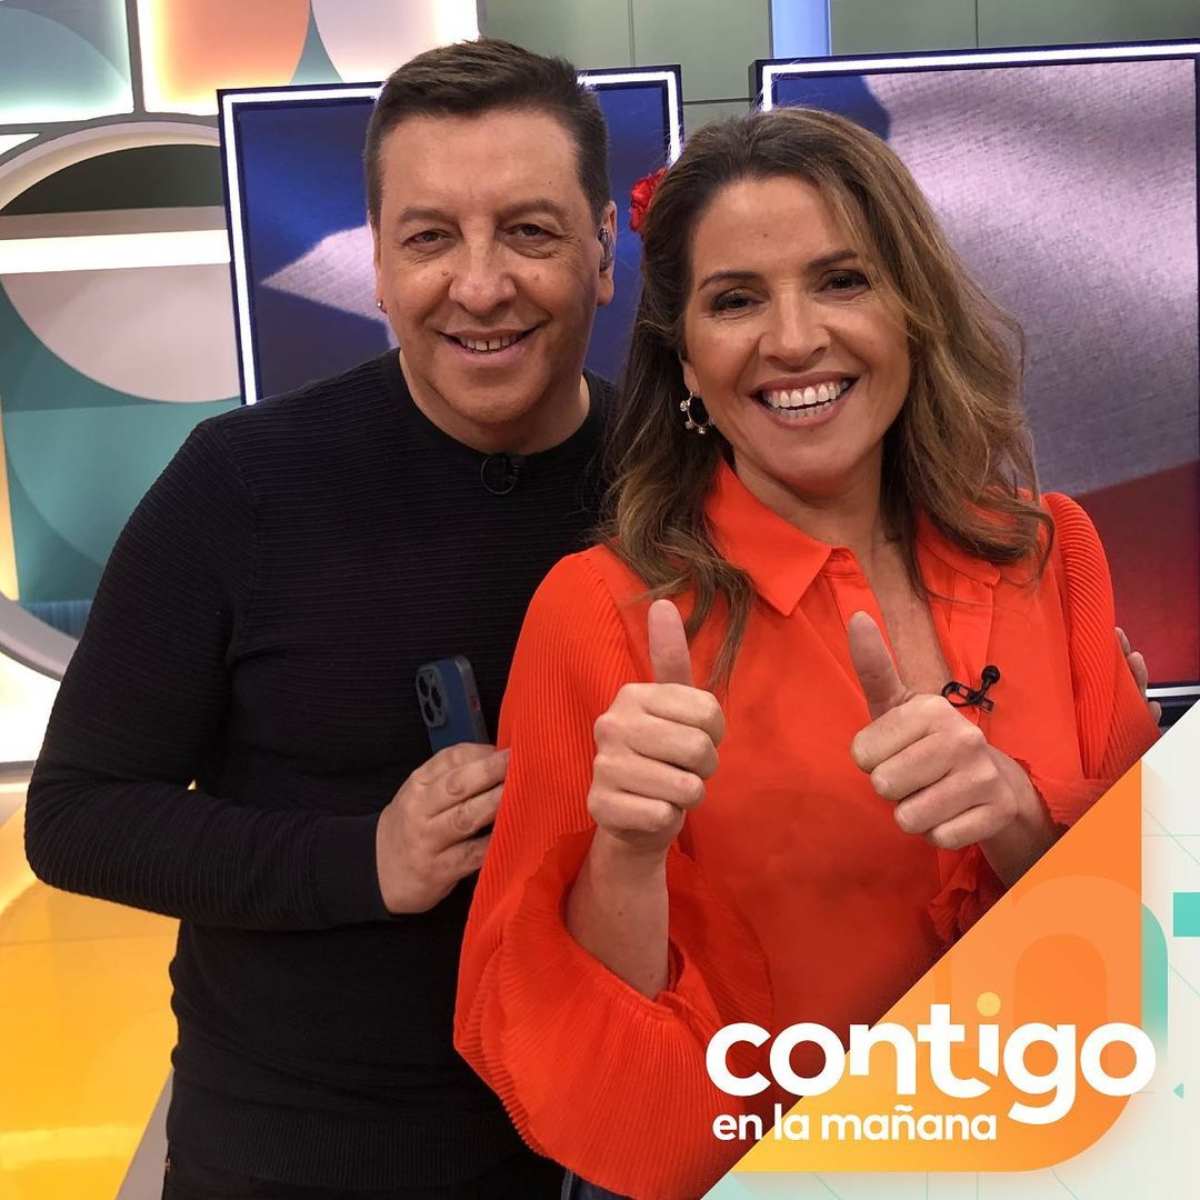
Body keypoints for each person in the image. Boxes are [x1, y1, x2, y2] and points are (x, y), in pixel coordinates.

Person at [453, 107, 1161, 1200]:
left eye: (841, 281)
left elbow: (1165, 939)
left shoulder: (1051, 552)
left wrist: (1022, 819)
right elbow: (563, 1066)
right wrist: (626, 855)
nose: (792, 340)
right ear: (685, 360)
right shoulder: (599, 612)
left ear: (912, 311)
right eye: (736, 300)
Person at [24, 39, 619, 1199]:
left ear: (602, 249)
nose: (481, 285)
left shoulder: (679, 483)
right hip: (304, 1157)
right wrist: (365, 860)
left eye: (530, 232)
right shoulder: (243, 484)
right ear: (379, 264)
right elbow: (78, 817)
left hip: (624, 1139)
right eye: (431, 237)